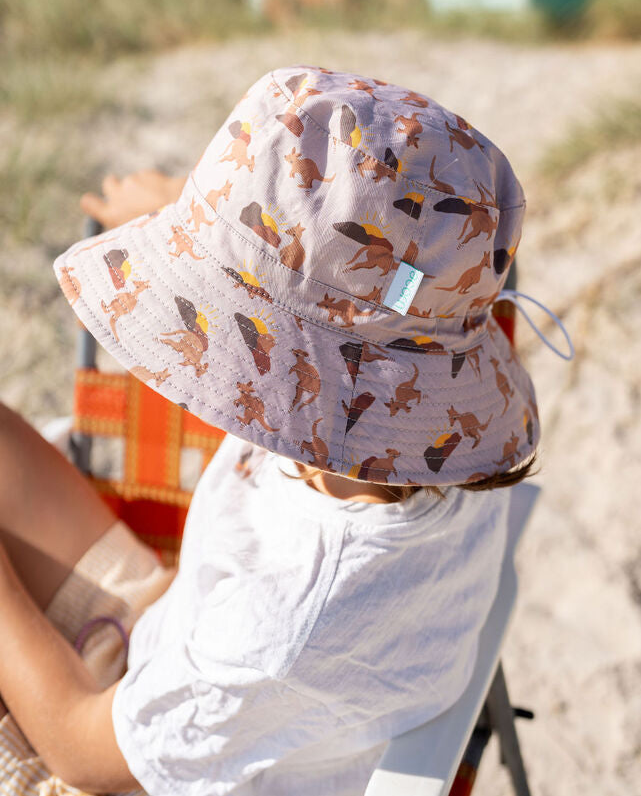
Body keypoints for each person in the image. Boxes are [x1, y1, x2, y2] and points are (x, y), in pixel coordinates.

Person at [0, 66, 555, 796]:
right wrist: (206, 214)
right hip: (196, 650)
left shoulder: (279, 624)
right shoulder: (450, 446)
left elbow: (80, 750)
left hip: (144, 758)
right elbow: (372, 279)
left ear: (299, 368)